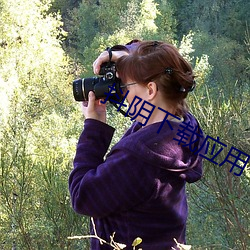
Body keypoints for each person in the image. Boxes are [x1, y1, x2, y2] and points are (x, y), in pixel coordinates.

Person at [69, 40, 206, 250]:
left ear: (150, 89)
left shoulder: (140, 157)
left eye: (125, 86)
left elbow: (82, 196)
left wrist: (94, 128)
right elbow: (157, 57)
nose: (122, 93)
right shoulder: (184, 126)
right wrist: (123, 55)